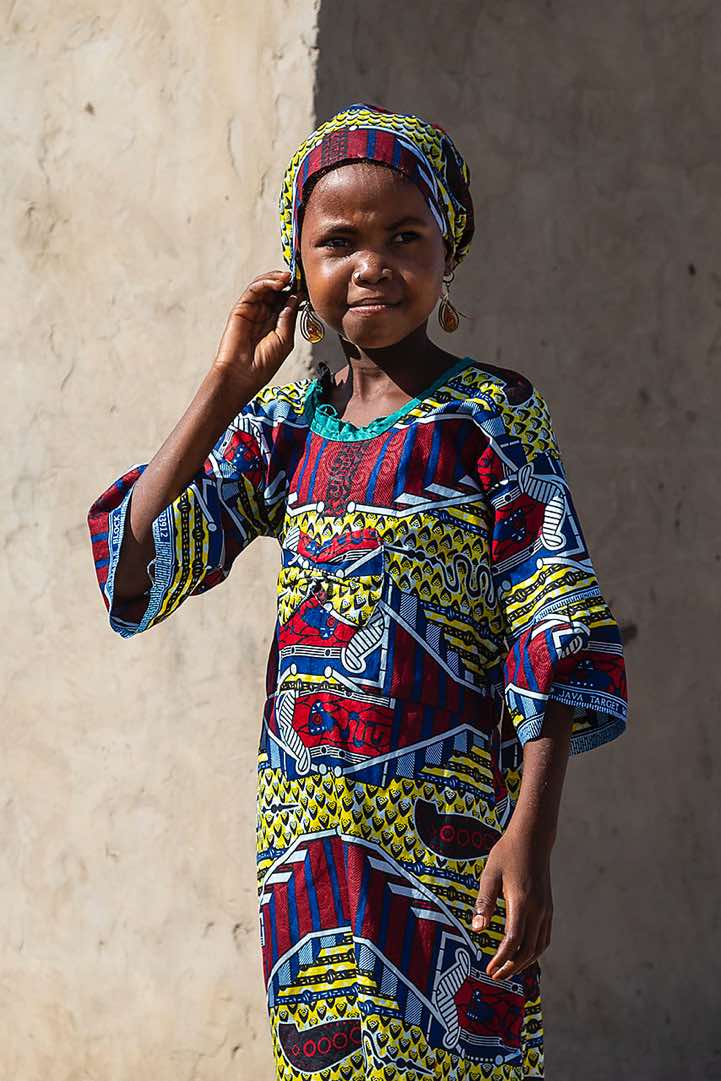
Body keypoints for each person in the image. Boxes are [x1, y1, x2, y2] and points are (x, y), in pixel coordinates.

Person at [87, 102, 628, 1079]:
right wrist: (225, 384)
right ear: (298, 265)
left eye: (403, 237)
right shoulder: (289, 422)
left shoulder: (489, 417)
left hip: (453, 830)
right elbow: (142, 553)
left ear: (446, 251)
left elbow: (555, 620)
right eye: (338, 241)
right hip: (307, 834)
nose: (371, 264)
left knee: (461, 1056)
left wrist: (530, 835)